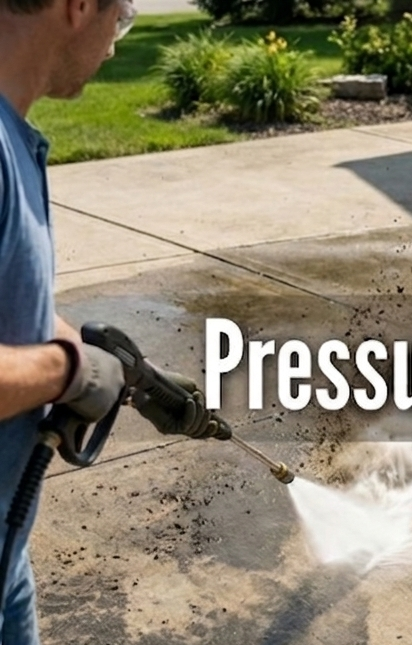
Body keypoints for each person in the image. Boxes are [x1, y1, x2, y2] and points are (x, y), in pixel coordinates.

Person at [0, 0, 213, 641]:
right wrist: (66, 370)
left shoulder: (14, 138)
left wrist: (128, 374)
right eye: (119, 17)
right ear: (77, 7)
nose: (117, 41)